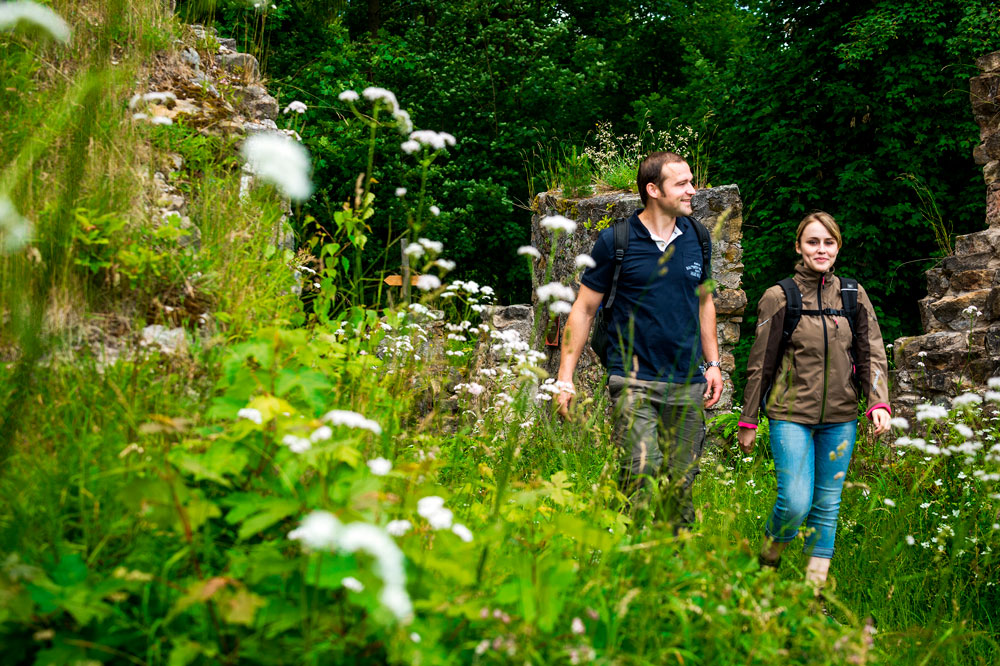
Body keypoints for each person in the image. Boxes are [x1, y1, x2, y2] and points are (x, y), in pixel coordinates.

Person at [555, 152, 723, 530]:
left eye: (691, 182)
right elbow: (582, 310)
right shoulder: (616, 241)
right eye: (681, 184)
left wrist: (714, 364)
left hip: (687, 382)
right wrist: (564, 378)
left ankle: (672, 568)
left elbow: (706, 301)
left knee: (680, 484)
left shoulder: (698, 237)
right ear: (653, 190)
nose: (692, 191)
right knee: (641, 470)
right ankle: (630, 555)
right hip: (633, 380)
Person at [737, 211, 891, 587]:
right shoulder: (779, 296)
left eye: (828, 242)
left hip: (840, 419)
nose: (821, 249)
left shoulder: (853, 296)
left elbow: (872, 352)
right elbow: (761, 363)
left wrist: (878, 402)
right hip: (790, 416)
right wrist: (749, 419)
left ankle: (813, 595)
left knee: (826, 508)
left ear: (837, 246)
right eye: (812, 242)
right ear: (798, 247)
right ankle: (766, 565)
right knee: (794, 502)